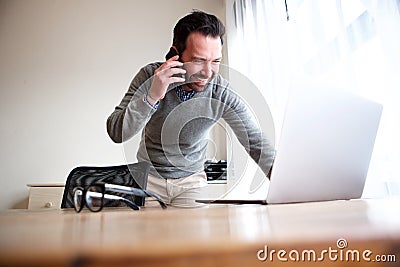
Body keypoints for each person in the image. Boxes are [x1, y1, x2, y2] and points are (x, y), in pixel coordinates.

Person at [107, 10, 275, 207]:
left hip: (192, 182)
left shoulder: (221, 93)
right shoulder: (149, 76)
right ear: (175, 54)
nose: (208, 72)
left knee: (194, 235)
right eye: (198, 60)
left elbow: (256, 142)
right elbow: (116, 132)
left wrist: (288, 185)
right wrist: (153, 95)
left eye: (215, 61)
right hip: (147, 179)